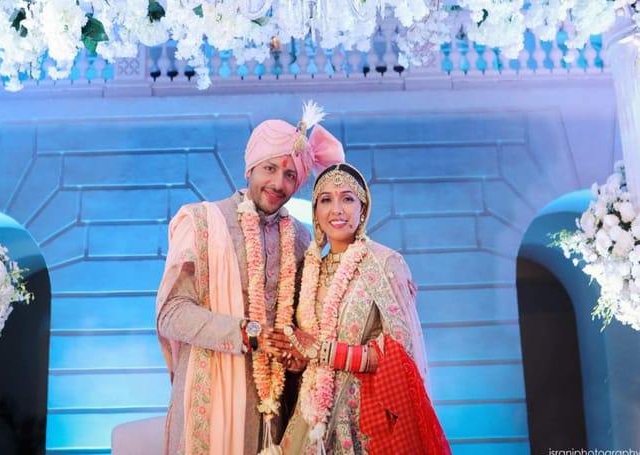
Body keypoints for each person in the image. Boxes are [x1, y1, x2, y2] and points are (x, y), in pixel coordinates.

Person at [155, 101, 345, 455]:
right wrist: (246, 332)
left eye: (290, 176)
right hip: (211, 395)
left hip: (275, 408)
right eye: (270, 168)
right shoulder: (200, 223)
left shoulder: (301, 238)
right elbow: (172, 313)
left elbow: (303, 321)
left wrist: (299, 353)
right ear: (250, 168)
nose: (278, 183)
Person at [279, 163, 451, 454]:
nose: (337, 210)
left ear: (363, 209)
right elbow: (308, 351)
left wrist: (325, 352)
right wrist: (296, 360)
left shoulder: (384, 264)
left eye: (347, 198)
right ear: (316, 212)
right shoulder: (308, 270)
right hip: (310, 417)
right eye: (326, 200)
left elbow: (402, 350)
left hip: (367, 419)